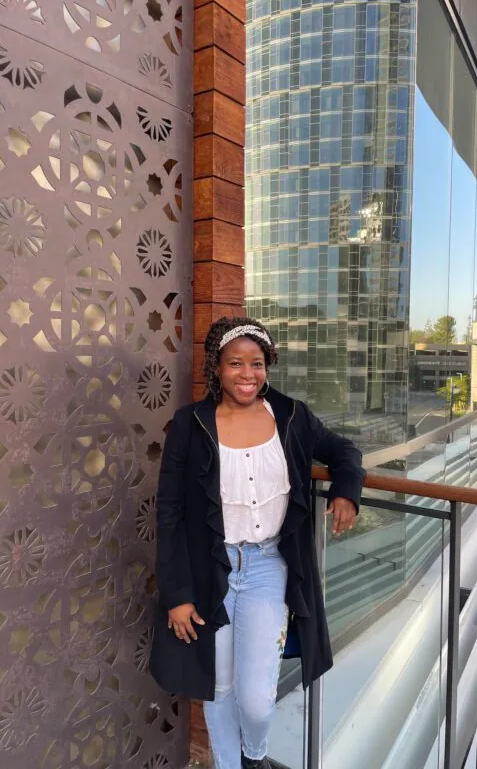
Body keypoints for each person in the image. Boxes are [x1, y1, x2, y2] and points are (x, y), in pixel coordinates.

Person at [150, 317, 365, 769]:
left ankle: (254, 756)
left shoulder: (291, 416)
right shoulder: (191, 424)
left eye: (257, 363)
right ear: (217, 367)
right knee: (220, 687)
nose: (247, 374)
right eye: (235, 364)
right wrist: (177, 594)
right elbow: (168, 511)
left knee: (255, 700)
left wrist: (346, 490)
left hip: (268, 566)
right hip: (212, 568)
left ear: (267, 366)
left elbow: (345, 452)